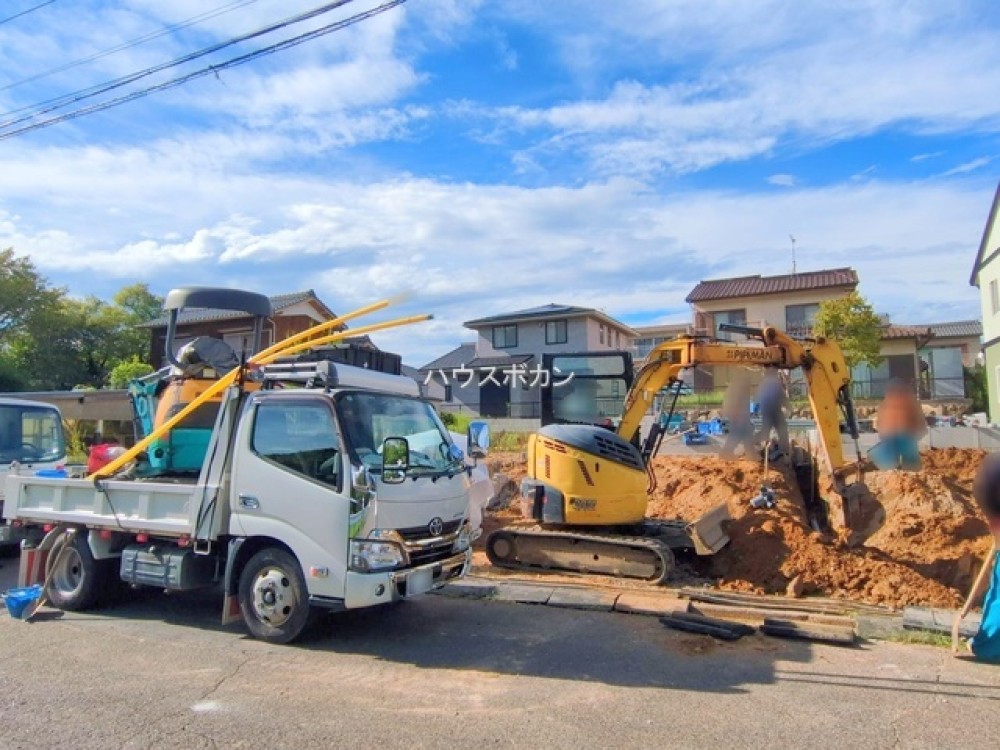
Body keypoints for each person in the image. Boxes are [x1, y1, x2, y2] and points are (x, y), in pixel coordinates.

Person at [874, 378, 927, 470]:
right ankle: (906, 472)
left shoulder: (885, 404)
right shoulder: (912, 402)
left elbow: (879, 422)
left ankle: (895, 472)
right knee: (909, 463)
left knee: (892, 464)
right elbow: (920, 420)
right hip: (902, 433)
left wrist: (881, 432)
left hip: (895, 434)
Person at [719, 371, 755, 459]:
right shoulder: (738, 389)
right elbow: (736, 404)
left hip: (739, 416)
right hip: (738, 416)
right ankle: (726, 452)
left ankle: (750, 453)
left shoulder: (736, 388)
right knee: (738, 434)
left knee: (745, 433)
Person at [756, 368, 789, 458]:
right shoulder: (775, 385)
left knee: (765, 431)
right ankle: (784, 452)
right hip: (775, 412)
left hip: (766, 412)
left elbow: (759, 399)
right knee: (782, 430)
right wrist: (789, 407)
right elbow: (782, 397)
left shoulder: (762, 385)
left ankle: (763, 450)